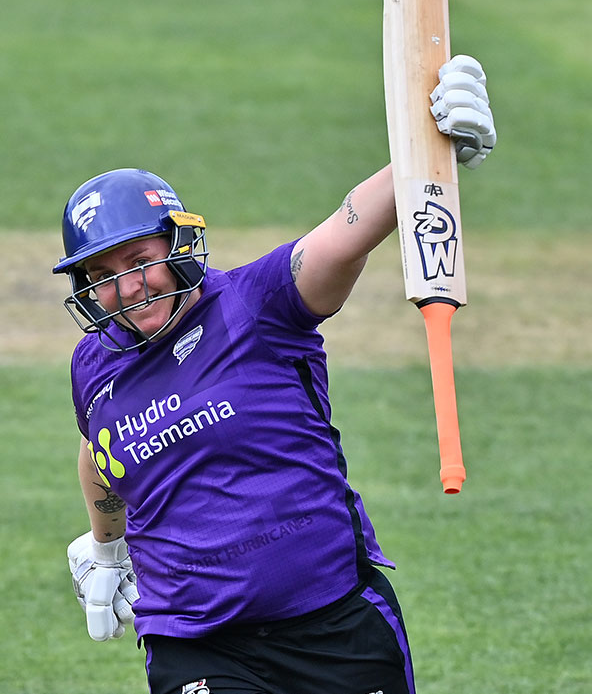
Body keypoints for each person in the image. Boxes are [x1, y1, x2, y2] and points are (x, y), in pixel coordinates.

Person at [56, 54, 496, 694]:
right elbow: (100, 451)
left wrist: (429, 152)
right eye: (101, 275)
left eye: (139, 260)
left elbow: (343, 233)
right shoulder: (93, 364)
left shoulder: (256, 304)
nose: (125, 288)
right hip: (194, 642)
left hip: (334, 627)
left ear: (178, 245)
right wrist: (106, 547)